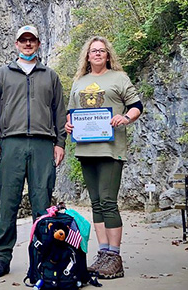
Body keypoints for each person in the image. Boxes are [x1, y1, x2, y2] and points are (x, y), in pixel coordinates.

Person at [0, 25, 67, 278]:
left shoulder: (50, 76)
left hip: (44, 144)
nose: (28, 44)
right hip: (11, 144)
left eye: (32, 40)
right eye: (23, 40)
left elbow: (59, 112)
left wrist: (60, 143)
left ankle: (43, 258)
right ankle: (1, 257)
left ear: (39, 44)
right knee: (7, 202)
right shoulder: (1, 75)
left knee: (42, 204)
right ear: (16, 44)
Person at [65, 36, 143, 280]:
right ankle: (103, 253)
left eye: (101, 51)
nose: (97, 54)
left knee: (108, 201)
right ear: (87, 56)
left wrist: (126, 118)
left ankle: (115, 257)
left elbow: (136, 104)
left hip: (111, 149)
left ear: (108, 55)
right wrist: (69, 124)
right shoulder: (79, 81)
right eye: (93, 51)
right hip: (86, 149)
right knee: (96, 202)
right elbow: (71, 113)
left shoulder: (119, 78)